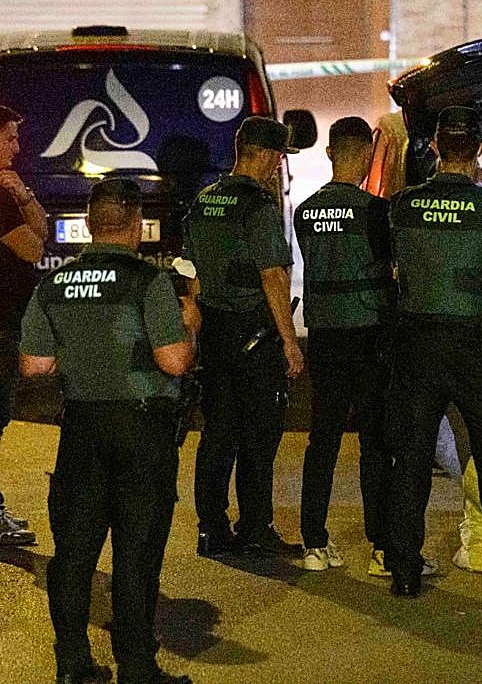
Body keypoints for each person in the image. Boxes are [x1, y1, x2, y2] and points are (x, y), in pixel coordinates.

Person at [19, 177, 198, 684]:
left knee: (74, 554)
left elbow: (34, 364)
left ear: (90, 224)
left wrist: (81, 356)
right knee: (136, 553)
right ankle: (136, 667)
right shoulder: (149, 281)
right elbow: (174, 361)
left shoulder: (54, 284)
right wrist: (190, 324)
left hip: (80, 429)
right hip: (141, 429)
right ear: (136, 224)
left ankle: (73, 664)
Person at [386, 105, 482, 601]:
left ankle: (404, 570)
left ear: (434, 147)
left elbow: (397, 269)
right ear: (480, 149)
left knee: (410, 459)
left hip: (418, 346)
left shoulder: (403, 204)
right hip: (477, 348)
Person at [183, 115, 304, 558]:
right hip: (254, 333)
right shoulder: (258, 205)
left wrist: (199, 327)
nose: (278, 166)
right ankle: (255, 527)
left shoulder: (204, 200)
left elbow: (192, 272)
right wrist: (289, 341)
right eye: (279, 157)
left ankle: (211, 529)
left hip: (215, 332)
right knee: (258, 435)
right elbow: (273, 275)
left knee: (217, 432)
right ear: (268, 156)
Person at [295, 116, 396, 574]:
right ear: (368, 155)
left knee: (323, 439)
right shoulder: (376, 211)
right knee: (375, 440)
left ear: (330, 152)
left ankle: (314, 542)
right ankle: (382, 548)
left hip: (325, 336)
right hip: (369, 335)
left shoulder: (305, 212)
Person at [0, 104, 47, 546]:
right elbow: (33, 249)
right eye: (10, 138)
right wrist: (18, 200)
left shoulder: (9, 191)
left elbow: (42, 231)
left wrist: (25, 194)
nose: (17, 146)